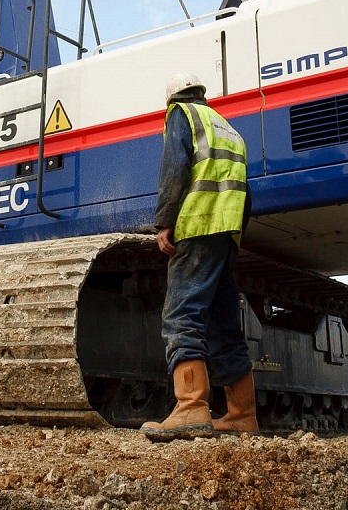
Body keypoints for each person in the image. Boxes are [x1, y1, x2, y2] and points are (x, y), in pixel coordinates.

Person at [141, 72, 259, 440]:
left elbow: (175, 168)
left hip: (196, 228)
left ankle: (191, 406)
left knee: (181, 314)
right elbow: (245, 193)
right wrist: (233, 237)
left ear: (172, 97)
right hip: (226, 235)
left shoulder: (181, 115)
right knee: (224, 324)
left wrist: (164, 222)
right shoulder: (226, 127)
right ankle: (242, 414)